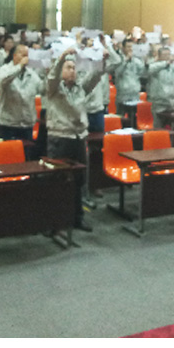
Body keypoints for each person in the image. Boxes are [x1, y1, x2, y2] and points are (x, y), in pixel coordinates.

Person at [46, 45, 107, 232]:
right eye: (68, 68)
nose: (72, 71)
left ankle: (77, 217)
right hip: (60, 138)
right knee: (58, 180)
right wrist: (62, 57)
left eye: (74, 68)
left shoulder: (81, 88)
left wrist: (102, 60)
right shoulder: (53, 89)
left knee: (79, 181)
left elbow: (95, 76)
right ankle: (55, 222)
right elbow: (52, 77)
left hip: (79, 137)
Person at [0, 44, 43, 156]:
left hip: (27, 123)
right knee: (9, 157)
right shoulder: (5, 69)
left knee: (26, 156)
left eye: (27, 55)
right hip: (9, 123)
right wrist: (19, 66)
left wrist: (48, 73)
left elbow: (42, 89)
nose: (26, 57)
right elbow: (3, 81)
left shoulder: (32, 73)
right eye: (23, 54)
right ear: (15, 55)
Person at [112, 39, 146, 122]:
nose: (131, 49)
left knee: (134, 119)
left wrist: (145, 62)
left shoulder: (137, 61)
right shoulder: (118, 60)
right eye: (128, 47)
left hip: (135, 94)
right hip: (122, 95)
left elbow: (144, 73)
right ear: (123, 48)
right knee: (121, 119)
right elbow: (117, 72)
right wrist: (126, 60)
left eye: (132, 47)